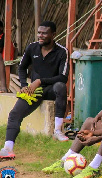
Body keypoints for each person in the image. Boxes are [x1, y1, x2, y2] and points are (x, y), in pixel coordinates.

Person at [0, 21, 69, 161]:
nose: (40, 36)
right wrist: (24, 84)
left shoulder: (62, 51)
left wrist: (39, 81)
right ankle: (8, 148)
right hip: (34, 91)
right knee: (14, 114)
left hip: (51, 88)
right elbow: (21, 68)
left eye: (44, 33)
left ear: (53, 35)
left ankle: (57, 130)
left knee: (61, 86)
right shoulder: (32, 48)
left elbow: (63, 77)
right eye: (39, 33)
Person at [0, 21, 7, 93]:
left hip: (4, 57)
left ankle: (3, 86)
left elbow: (0, 48)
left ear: (1, 28)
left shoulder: (4, 37)